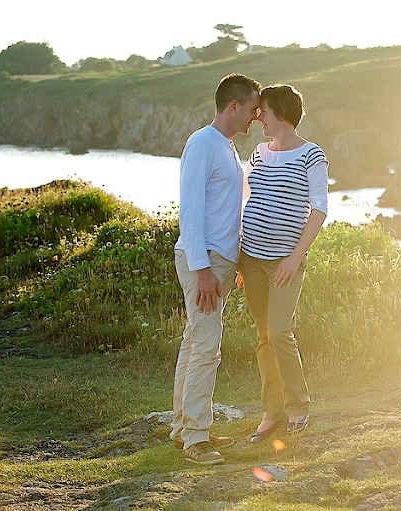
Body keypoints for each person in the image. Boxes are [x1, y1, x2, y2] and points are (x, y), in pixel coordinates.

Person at [171, 73, 262, 465]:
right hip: (202, 259)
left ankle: (183, 429)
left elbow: (229, 210)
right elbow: (190, 210)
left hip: (220, 259)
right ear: (233, 106)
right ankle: (196, 437)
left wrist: (236, 258)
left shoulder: (228, 147)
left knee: (195, 341)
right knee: (207, 345)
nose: (256, 118)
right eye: (253, 109)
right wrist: (203, 268)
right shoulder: (202, 143)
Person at [237, 84, 329, 443]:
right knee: (264, 336)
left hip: (284, 263)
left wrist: (295, 257)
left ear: (283, 115)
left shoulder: (312, 156)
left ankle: (298, 406)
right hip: (251, 259)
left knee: (279, 332)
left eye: (264, 111)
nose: (258, 116)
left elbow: (319, 208)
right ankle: (271, 412)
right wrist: (238, 259)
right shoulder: (259, 152)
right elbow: (246, 199)